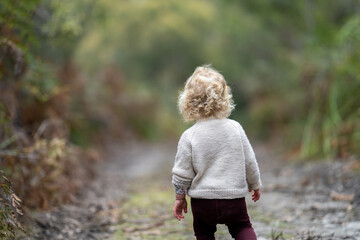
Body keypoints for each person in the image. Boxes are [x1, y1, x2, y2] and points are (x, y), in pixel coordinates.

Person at [172, 65, 261, 240]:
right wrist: (254, 184)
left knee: (203, 232)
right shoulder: (235, 128)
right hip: (233, 199)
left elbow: (182, 173)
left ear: (188, 101)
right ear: (224, 98)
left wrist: (179, 197)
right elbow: (249, 161)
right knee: (242, 226)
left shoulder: (189, 136)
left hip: (202, 202)